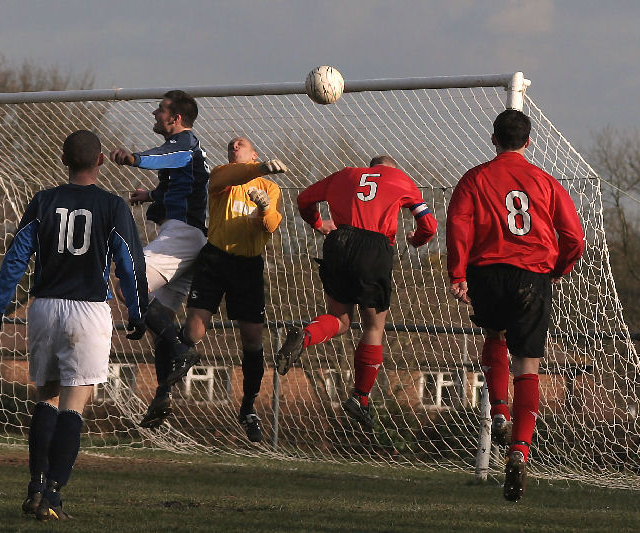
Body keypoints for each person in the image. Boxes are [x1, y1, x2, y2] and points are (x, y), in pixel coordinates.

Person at [0, 130, 148, 520]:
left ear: (63, 160)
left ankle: (35, 487)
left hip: (43, 307)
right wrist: (137, 312)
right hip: (88, 310)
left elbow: (16, 257)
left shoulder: (43, 201)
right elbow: (131, 264)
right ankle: (53, 497)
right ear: (101, 160)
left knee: (47, 397)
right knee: (75, 403)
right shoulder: (112, 205)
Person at [446, 109, 584, 502]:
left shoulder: (474, 178)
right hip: (531, 276)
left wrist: (458, 274)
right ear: (528, 142)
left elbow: (459, 224)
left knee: (494, 335)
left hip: (488, 273)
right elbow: (574, 237)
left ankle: (499, 413)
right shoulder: (546, 181)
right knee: (529, 366)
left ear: (494, 140)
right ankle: (520, 453)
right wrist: (555, 270)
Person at [275, 155, 437, 432]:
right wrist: (417, 240)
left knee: (340, 318)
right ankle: (360, 397)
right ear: (392, 168)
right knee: (374, 326)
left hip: (339, 242)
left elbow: (304, 199)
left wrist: (317, 224)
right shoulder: (401, 179)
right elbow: (429, 225)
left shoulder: (344, 174)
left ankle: (306, 335)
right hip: (374, 247)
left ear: (371, 167)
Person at [154, 136, 287, 442]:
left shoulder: (271, 188)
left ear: (255, 152)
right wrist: (259, 168)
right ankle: (164, 391)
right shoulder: (222, 178)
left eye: (241, 143)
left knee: (253, 338)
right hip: (215, 260)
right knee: (193, 332)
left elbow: (269, 226)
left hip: (248, 266)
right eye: (231, 145)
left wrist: (264, 209)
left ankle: (248, 406)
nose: (234, 144)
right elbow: (226, 177)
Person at [109, 90, 209, 429]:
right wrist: (150, 194)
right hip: (188, 237)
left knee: (126, 282)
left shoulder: (184, 143)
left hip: (182, 235)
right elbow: (187, 183)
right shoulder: (188, 151)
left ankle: (182, 351)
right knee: (161, 316)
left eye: (161, 110)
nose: (155, 113)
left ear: (176, 117)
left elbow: (164, 157)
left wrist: (133, 158)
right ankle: (163, 394)